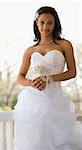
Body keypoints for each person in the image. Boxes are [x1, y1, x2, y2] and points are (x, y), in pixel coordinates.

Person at [13, 6, 82, 150]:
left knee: (58, 139)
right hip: (32, 101)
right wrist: (31, 82)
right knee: (34, 141)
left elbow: (72, 72)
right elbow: (20, 77)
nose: (45, 26)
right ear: (36, 24)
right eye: (42, 22)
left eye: (50, 22)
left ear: (55, 23)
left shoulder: (64, 45)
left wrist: (49, 78)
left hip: (55, 99)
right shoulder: (30, 50)